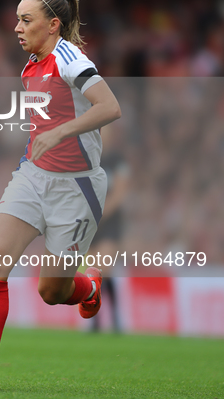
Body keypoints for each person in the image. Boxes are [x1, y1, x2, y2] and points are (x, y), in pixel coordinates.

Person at [0, 0, 121, 389]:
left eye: (26, 20)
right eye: (17, 19)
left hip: (77, 188)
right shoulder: (30, 65)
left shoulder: (70, 59)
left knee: (52, 291)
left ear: (53, 24)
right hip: (33, 177)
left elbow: (110, 107)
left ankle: (88, 285)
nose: (17, 27)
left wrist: (60, 133)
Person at [88, 124, 130, 333]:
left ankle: (112, 318)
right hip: (90, 223)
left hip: (108, 223)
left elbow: (120, 193)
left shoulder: (117, 162)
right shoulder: (87, 160)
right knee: (94, 271)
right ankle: (97, 320)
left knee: (104, 268)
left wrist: (101, 214)